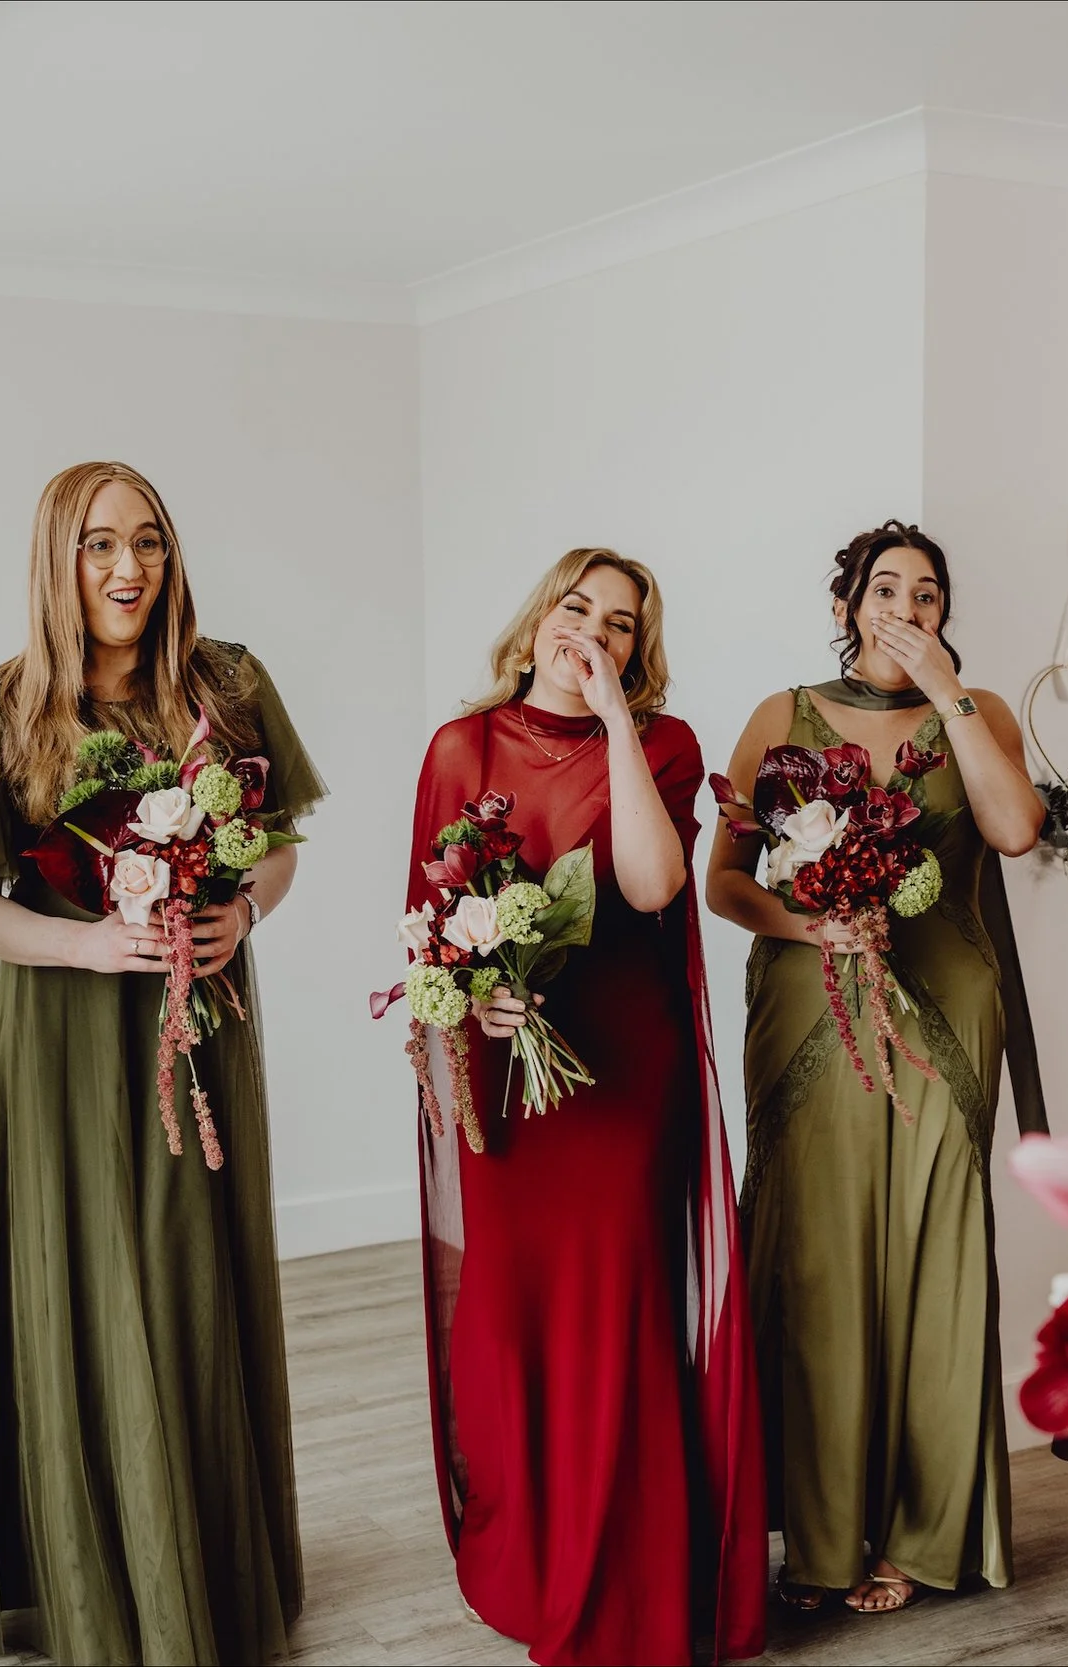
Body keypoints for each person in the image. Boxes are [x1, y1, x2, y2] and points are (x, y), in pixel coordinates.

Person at [0, 461, 322, 1665]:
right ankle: (93, 1567)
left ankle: (199, 1551)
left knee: (191, 1269)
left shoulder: (229, 685)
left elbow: (278, 848)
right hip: (67, 1028)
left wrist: (243, 914)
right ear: (58, 560)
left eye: (147, 541)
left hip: (202, 1016)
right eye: (99, 545)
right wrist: (92, 945)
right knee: (88, 1273)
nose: (128, 568)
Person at [407, 548, 765, 1666]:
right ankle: (536, 1552)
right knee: (513, 1316)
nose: (592, 632)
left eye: (619, 624)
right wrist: (475, 1002)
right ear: (535, 617)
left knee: (618, 1311)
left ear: (636, 650)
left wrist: (614, 717)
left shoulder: (662, 745)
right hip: (512, 1071)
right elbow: (427, 929)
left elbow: (655, 886)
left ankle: (630, 1575)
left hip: (624, 1065)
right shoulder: (459, 747)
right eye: (578, 609)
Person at [707, 521, 1048, 1616]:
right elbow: (725, 878)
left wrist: (949, 695)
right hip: (809, 1004)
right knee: (813, 1249)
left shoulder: (978, 709)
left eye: (928, 591)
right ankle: (816, 1536)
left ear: (945, 612)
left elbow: (1014, 831)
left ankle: (927, 1528)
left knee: (933, 1242)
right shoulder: (780, 714)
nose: (906, 604)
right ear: (850, 602)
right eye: (885, 587)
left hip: (947, 999)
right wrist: (815, 930)